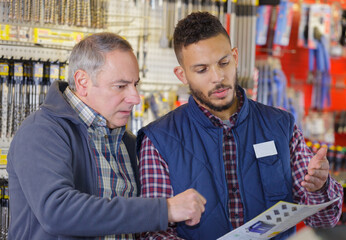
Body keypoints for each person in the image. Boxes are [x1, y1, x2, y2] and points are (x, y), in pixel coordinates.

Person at [137, 12, 344, 240]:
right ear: (182, 75)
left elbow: (325, 219)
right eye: (202, 69)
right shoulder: (158, 140)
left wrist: (320, 186)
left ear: (235, 56)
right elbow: (153, 231)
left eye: (223, 63)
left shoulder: (281, 126)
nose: (218, 77)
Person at [7, 32, 206, 240]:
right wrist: (164, 210)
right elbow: (57, 210)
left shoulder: (126, 141)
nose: (135, 98)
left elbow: (128, 223)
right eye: (120, 86)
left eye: (135, 84)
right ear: (83, 82)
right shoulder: (42, 131)